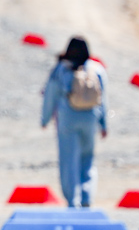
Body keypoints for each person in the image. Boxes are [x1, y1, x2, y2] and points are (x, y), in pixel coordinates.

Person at [42, 36, 107, 207]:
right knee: (87, 158)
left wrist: (45, 118)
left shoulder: (61, 69)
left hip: (67, 118)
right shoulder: (97, 69)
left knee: (68, 159)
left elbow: (50, 96)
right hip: (90, 117)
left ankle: (72, 200)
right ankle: (87, 197)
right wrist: (104, 124)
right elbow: (103, 99)